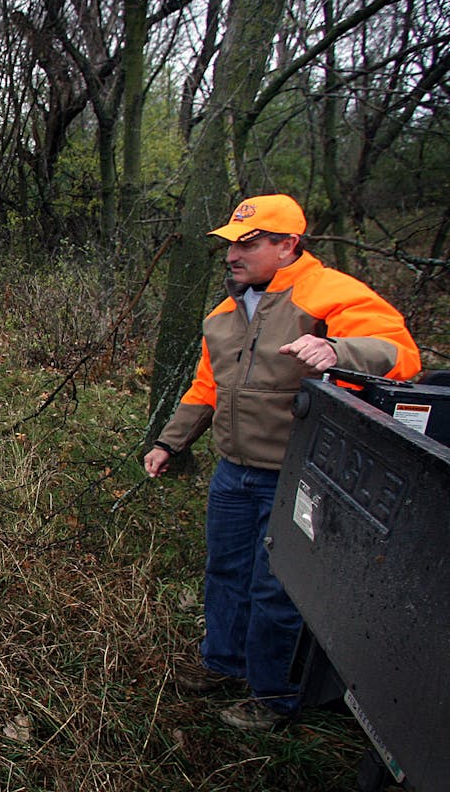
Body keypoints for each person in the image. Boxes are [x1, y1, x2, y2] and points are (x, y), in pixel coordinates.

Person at [145, 194, 420, 731]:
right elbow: (207, 389)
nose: (233, 255)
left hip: (300, 475)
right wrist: (169, 443)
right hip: (233, 472)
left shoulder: (329, 294)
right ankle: (222, 663)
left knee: (277, 586)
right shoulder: (224, 315)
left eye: (248, 244)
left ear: (287, 244)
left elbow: (401, 352)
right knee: (225, 571)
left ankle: (274, 695)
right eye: (231, 244)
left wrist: (340, 352)